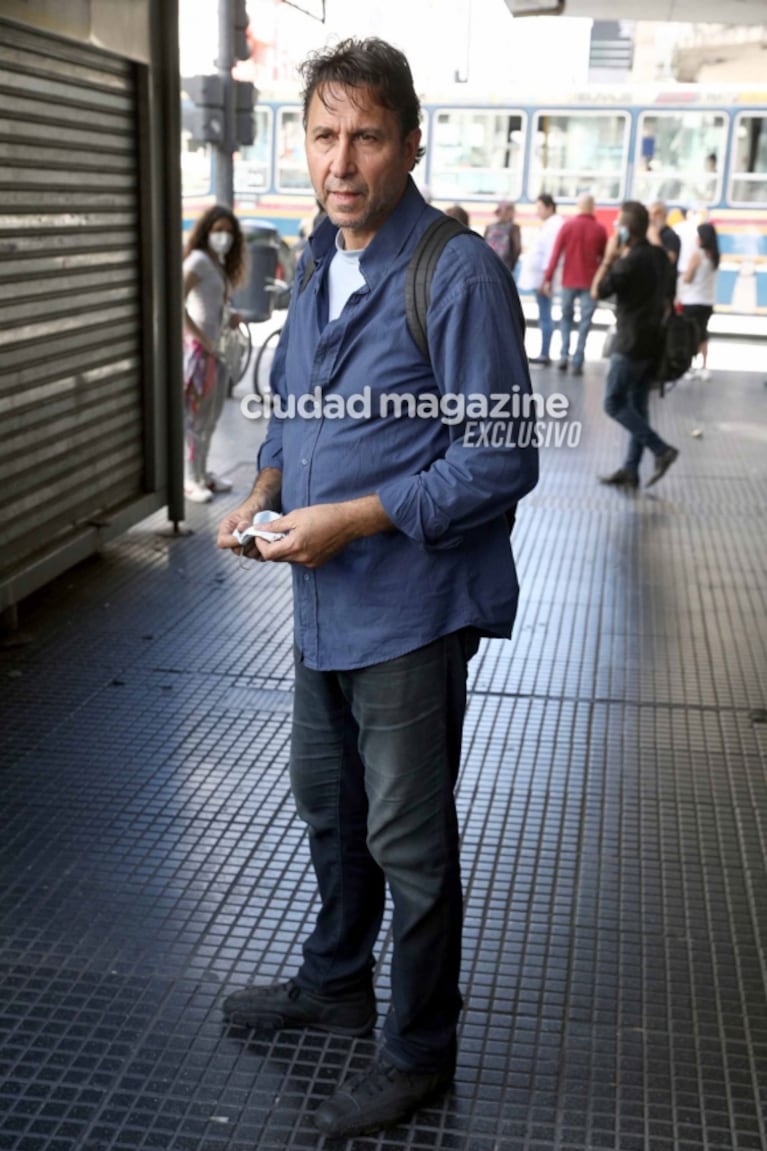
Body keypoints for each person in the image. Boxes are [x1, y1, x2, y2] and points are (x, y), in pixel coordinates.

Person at [216, 37, 539, 1140]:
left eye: (363, 135)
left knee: (409, 838)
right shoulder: (317, 260)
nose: (339, 160)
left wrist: (353, 516)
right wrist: (263, 483)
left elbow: (502, 457)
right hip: (319, 605)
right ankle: (333, 979)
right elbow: (297, 403)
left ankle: (418, 1050)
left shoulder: (454, 272)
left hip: (407, 611)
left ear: (407, 142)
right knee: (328, 806)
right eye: (321, 134)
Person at [590, 200, 679, 490]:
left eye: (618, 225)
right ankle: (630, 470)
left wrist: (608, 258)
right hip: (654, 343)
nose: (615, 229)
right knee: (638, 407)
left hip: (629, 342)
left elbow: (597, 291)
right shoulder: (659, 257)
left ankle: (661, 449)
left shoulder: (628, 263)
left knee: (613, 403)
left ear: (626, 230)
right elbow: (669, 295)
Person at [182, 205, 246, 502]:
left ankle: (202, 474)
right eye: (218, 230)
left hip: (215, 351)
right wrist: (200, 339)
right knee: (197, 417)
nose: (224, 237)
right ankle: (190, 477)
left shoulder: (215, 262)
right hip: (200, 353)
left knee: (210, 417)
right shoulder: (197, 261)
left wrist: (230, 316)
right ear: (206, 231)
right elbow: (176, 300)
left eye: (229, 232)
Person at [542, 192, 607, 376]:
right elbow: (604, 259)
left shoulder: (567, 226)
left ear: (578, 206)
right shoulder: (600, 229)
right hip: (590, 282)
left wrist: (547, 279)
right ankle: (578, 359)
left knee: (566, 319)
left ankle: (564, 356)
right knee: (585, 322)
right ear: (593, 207)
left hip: (569, 281)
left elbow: (555, 255)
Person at [518, 193, 564, 365]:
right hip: (541, 278)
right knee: (544, 315)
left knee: (545, 316)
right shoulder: (550, 225)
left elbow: (550, 254)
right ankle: (544, 352)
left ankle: (544, 353)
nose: (537, 212)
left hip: (543, 279)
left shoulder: (554, 226)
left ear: (549, 207)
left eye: (539, 207)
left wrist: (546, 280)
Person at [678, 222, 720, 380]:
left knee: (690, 334)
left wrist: (682, 275)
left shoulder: (697, 255)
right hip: (708, 302)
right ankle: (704, 366)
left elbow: (688, 278)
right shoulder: (714, 256)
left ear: (702, 238)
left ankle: (688, 366)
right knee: (702, 333)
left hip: (692, 300)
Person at [647, 199, 680, 309]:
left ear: (664, 215)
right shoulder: (647, 235)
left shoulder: (670, 236)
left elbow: (669, 260)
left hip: (664, 294)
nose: (652, 217)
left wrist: (655, 240)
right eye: (650, 213)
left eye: (656, 213)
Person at [483, 199, 521, 274]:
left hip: (488, 267)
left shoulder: (489, 227)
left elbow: (483, 246)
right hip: (505, 268)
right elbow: (517, 249)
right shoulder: (514, 228)